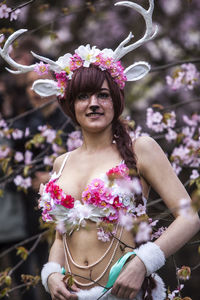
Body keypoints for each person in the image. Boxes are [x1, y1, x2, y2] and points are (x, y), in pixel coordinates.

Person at [0, 1, 199, 299]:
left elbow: (189, 217)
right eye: (83, 96)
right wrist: (51, 272)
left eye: (103, 95)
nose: (93, 103)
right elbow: (61, 237)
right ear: (70, 105)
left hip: (125, 290)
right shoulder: (61, 164)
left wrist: (142, 264)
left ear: (115, 100)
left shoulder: (140, 148)